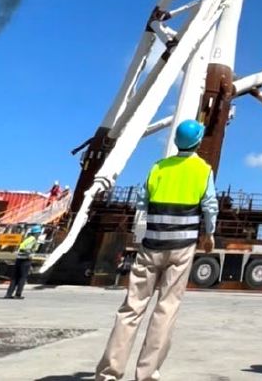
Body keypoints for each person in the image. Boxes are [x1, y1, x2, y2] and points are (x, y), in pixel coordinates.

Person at [94, 119, 218, 381]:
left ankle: (108, 373)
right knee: (166, 309)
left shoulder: (157, 168)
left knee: (131, 308)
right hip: (182, 248)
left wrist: (141, 235)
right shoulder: (202, 170)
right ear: (198, 142)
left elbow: (142, 203)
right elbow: (210, 207)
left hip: (151, 245)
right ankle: (147, 375)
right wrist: (209, 234)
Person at [5, 225, 42, 299]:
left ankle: (8, 294)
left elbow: (21, 246)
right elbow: (24, 248)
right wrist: (30, 253)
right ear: (37, 233)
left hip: (19, 259)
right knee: (22, 277)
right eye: (39, 233)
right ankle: (18, 294)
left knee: (15, 277)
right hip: (25, 260)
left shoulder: (27, 238)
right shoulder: (33, 239)